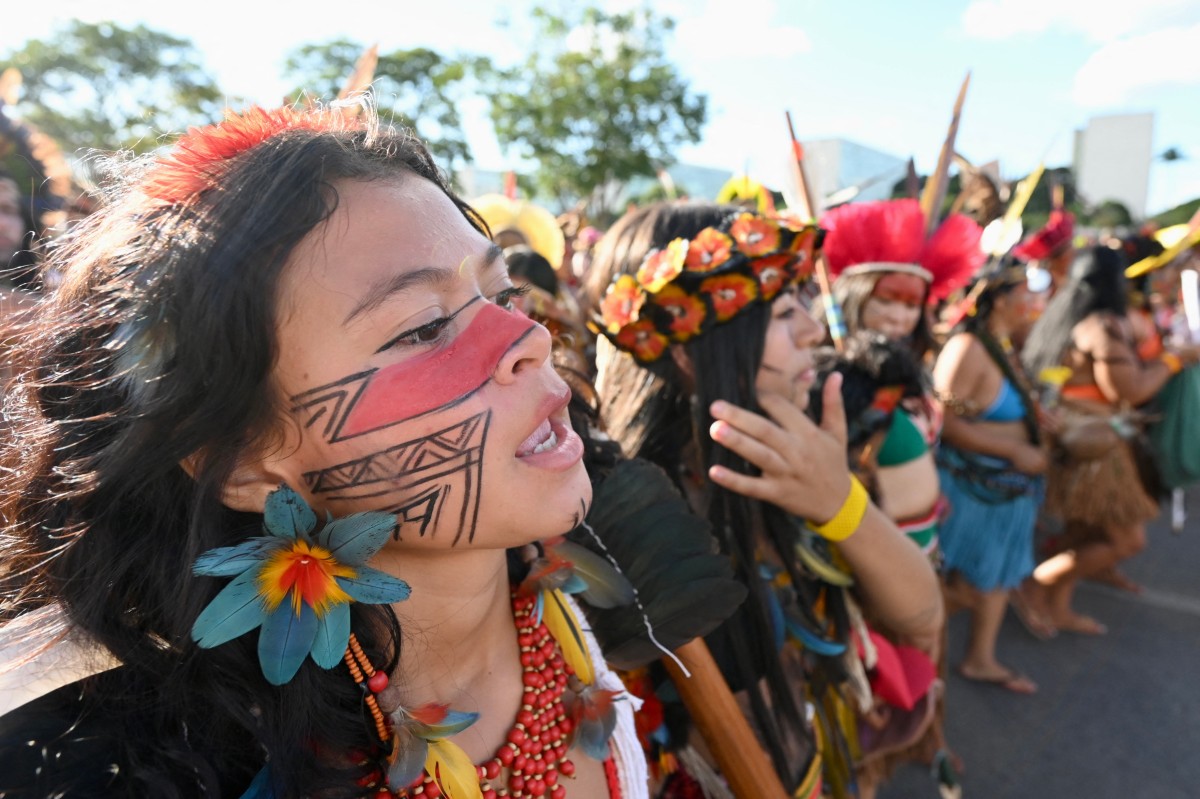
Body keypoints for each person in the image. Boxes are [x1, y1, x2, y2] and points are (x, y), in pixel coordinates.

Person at [0, 105, 664, 798]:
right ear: (243, 459)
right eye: (425, 327)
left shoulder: (606, 582)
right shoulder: (131, 763)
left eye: (504, 293)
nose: (528, 339)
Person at [584, 202, 942, 797]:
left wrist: (839, 501)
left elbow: (923, 616)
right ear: (685, 350)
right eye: (782, 310)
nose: (814, 330)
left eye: (803, 303)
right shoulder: (624, 521)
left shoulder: (800, 458)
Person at [1018, 245, 1200, 634]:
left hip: (1078, 437)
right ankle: (1036, 586)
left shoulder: (1061, 316)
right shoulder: (1102, 326)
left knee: (1089, 530)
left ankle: (1059, 603)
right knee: (1127, 540)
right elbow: (1128, 390)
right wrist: (1174, 361)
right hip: (1095, 445)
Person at [932, 260, 1050, 693]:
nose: (1034, 304)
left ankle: (976, 659)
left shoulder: (997, 344)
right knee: (964, 585)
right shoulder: (967, 347)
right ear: (999, 299)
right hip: (974, 488)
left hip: (1002, 491)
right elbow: (941, 420)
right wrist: (1014, 448)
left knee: (994, 580)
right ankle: (915, 663)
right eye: (1026, 294)